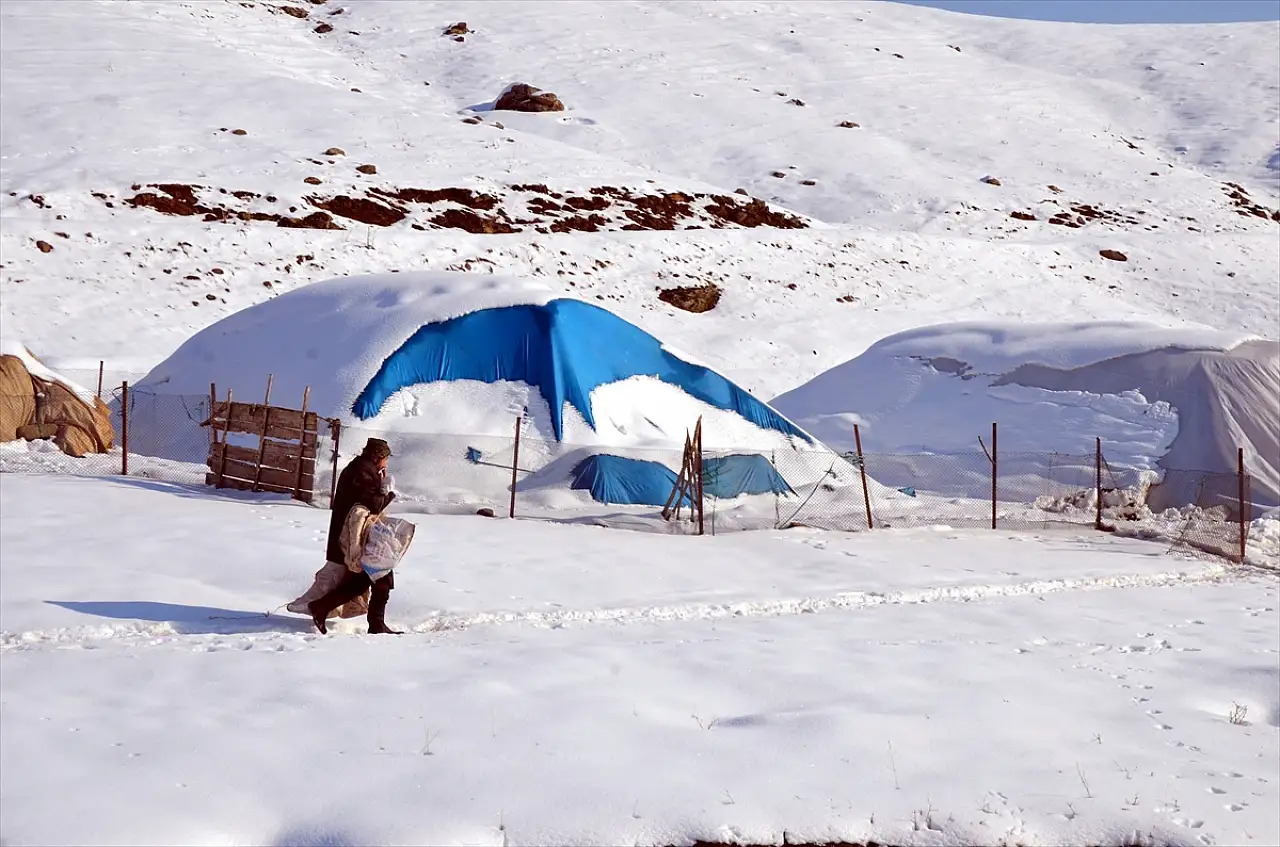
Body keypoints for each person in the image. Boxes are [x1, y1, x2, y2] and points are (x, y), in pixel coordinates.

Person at [307, 437, 402, 635]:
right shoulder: (361, 473)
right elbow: (374, 504)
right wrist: (388, 491)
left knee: (364, 579)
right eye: (385, 459)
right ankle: (375, 625)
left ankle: (323, 607)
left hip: (358, 535)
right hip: (353, 537)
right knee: (381, 577)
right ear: (378, 457)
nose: (386, 463)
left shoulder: (363, 469)